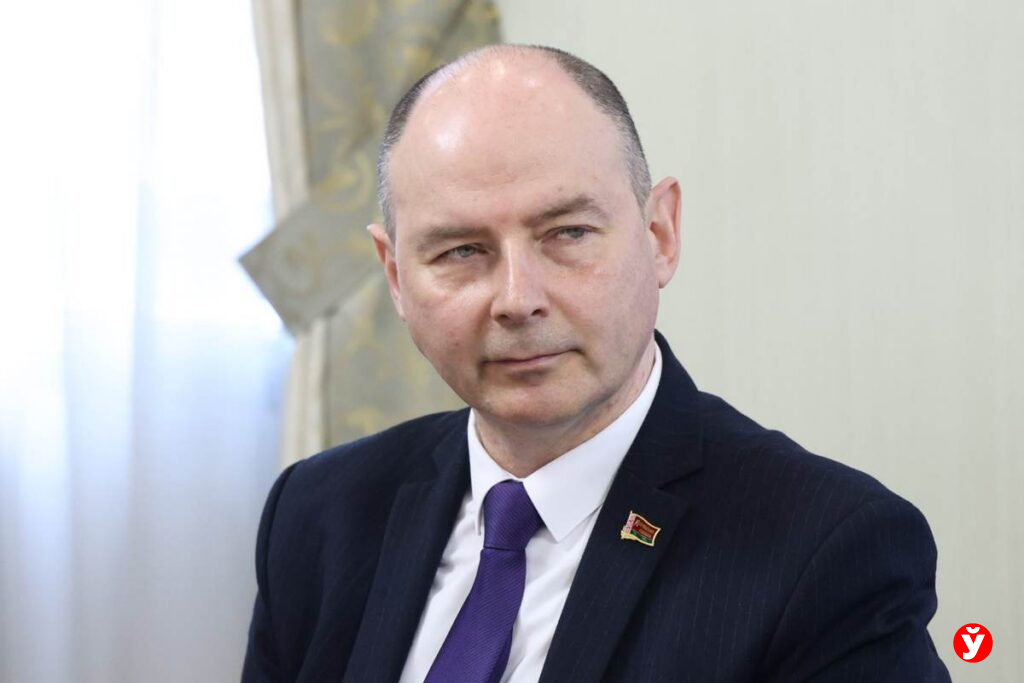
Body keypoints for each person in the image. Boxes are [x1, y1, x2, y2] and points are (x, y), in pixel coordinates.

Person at [243, 45, 950, 682]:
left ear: (660, 233)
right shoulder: (321, 514)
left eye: (568, 233)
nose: (517, 299)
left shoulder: (824, 552)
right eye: (461, 251)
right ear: (396, 276)